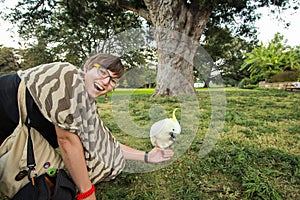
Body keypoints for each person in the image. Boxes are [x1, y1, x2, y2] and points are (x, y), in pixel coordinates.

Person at [0, 53, 174, 199]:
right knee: (56, 189)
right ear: (88, 66)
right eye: (103, 72)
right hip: (8, 129)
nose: (106, 81)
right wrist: (87, 192)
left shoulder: (85, 104)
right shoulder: (68, 77)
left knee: (61, 182)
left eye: (113, 81)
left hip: (26, 132)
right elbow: (67, 141)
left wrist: (146, 156)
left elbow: (102, 143)